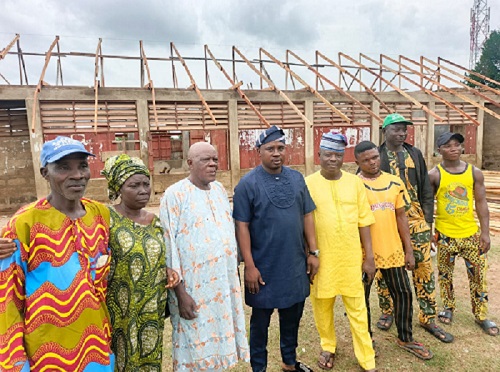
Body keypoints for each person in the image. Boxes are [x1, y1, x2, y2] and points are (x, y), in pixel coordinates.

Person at [0, 136, 115, 371]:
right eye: (63, 167)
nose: (77, 175)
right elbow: (8, 298)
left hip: (98, 347)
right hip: (47, 353)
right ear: (45, 173)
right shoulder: (24, 223)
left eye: (82, 166)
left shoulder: (100, 214)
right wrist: (15, 362)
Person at [233, 125, 319, 372]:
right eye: (270, 148)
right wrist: (249, 266)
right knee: (260, 323)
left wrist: (313, 253)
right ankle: (258, 368)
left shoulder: (297, 178)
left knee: (292, 318)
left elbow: (307, 216)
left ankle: (289, 363)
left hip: (293, 264)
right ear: (258, 151)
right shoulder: (247, 184)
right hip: (263, 267)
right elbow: (242, 227)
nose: (276, 153)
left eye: (281, 148)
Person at [160, 141, 250, 371]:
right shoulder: (174, 195)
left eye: (215, 159)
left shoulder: (219, 190)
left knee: (219, 340)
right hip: (192, 289)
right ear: (190, 163)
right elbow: (169, 247)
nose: (213, 164)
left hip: (221, 286)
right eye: (205, 160)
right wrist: (181, 294)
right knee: (194, 344)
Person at [376, 113, 453, 343]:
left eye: (404, 130)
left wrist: (427, 222)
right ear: (385, 131)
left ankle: (428, 317)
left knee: (423, 269)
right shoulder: (376, 155)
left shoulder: (415, 154)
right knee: (385, 268)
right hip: (387, 222)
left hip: (416, 220)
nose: (401, 134)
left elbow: (426, 191)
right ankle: (387, 311)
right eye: (396, 129)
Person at [102, 154, 181, 371]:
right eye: (134, 185)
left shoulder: (154, 222)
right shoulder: (106, 219)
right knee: (122, 357)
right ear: (118, 188)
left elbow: (157, 254)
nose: (143, 190)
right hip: (121, 307)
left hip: (151, 305)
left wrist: (167, 269)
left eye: (146, 184)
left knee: (150, 354)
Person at [355, 141, 433, 360]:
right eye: (366, 159)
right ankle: (365, 339)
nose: (372, 162)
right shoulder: (353, 185)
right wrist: (366, 256)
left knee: (404, 294)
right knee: (361, 299)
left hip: (392, 250)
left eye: (374, 157)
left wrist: (409, 250)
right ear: (357, 162)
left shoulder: (394, 182)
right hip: (362, 254)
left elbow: (401, 217)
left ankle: (405, 337)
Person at [305, 132, 376, 372]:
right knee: (322, 306)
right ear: (319, 156)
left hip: (350, 258)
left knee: (358, 309)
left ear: (343, 157)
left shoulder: (355, 182)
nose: (333, 159)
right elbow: (304, 223)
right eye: (328, 154)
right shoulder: (307, 184)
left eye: (338, 155)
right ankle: (328, 346)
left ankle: (367, 358)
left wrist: (369, 257)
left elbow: (364, 221)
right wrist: (309, 254)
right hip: (321, 259)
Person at [429, 132, 498, 336]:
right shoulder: (434, 175)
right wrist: (430, 232)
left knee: (478, 276)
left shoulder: (474, 173)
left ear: (462, 148)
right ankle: (448, 308)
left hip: (470, 234)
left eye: (457, 145)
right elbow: (427, 205)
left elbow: (481, 202)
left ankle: (481, 315)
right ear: (438, 150)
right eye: (448, 145)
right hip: (445, 235)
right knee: (445, 275)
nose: (453, 149)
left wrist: (485, 233)